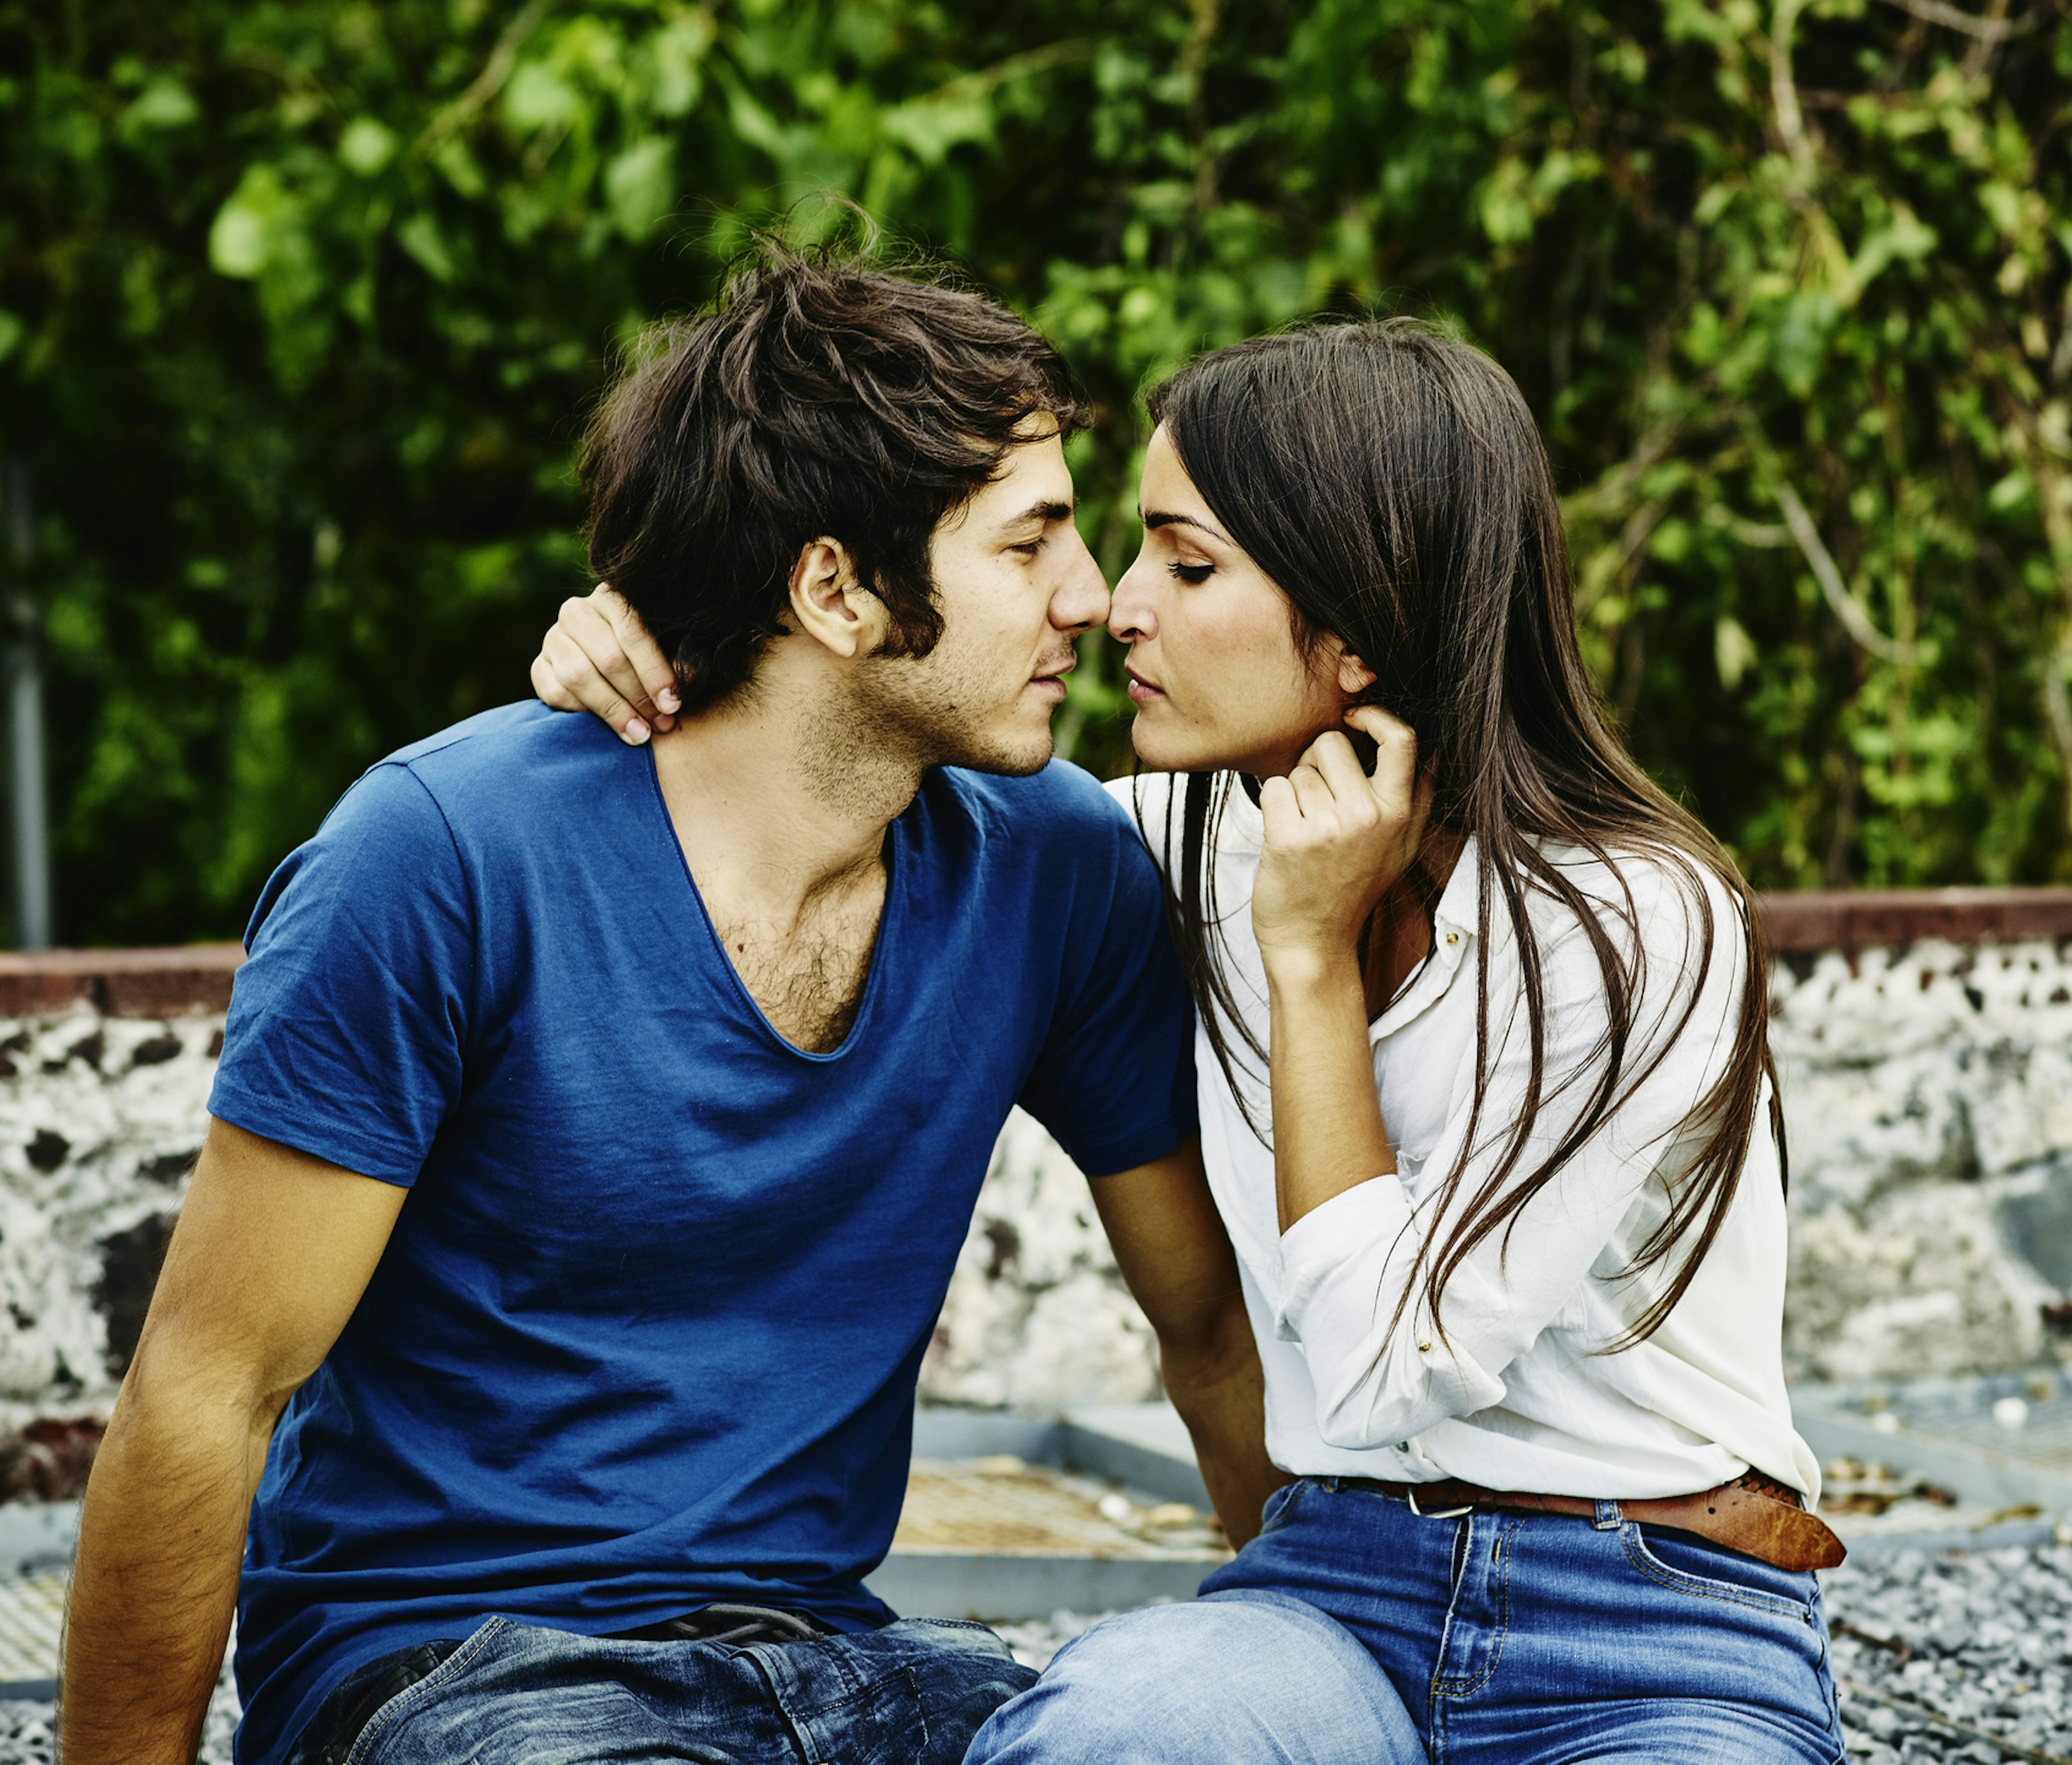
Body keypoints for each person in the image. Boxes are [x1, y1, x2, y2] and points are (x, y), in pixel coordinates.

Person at [536, 319, 1846, 1764]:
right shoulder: (1171, 843)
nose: (1115, 606)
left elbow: (1376, 1366)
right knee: (1104, 1734)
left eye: (1188, 560)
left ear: (1355, 626)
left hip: (1657, 1628)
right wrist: (665, 631)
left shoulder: (1634, 924)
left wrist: (1307, 960)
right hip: (1333, 1599)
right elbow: (840, 759)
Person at [57, 246, 1279, 1765]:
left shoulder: (1058, 872)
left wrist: (1302, 1652)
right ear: (835, 587)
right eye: (1031, 546)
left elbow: (1209, 1325)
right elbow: (206, 1383)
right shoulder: (443, 854)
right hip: (461, 1671)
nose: (1091, 600)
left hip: (836, 1657)